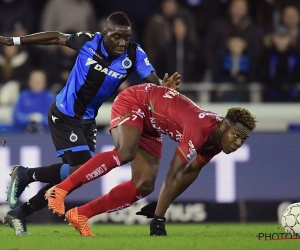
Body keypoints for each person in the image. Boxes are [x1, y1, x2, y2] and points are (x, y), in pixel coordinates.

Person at [1, 12, 180, 236]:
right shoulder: (88, 41)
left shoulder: (134, 54)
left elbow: (154, 84)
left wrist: (166, 89)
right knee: (81, 170)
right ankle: (25, 175)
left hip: (87, 119)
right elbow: (56, 37)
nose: (122, 43)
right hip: (65, 113)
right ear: (105, 34)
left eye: (126, 37)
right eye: (117, 37)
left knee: (76, 177)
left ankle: (19, 212)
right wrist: (13, 41)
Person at [46, 83, 256, 236]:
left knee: (144, 185)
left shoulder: (217, 141)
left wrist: (161, 205)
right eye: (236, 136)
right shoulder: (200, 129)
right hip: (136, 100)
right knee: (125, 152)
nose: (238, 143)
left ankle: (80, 214)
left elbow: (190, 172)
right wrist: (159, 218)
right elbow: (174, 174)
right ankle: (60, 190)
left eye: (242, 139)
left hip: (152, 122)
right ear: (223, 126)